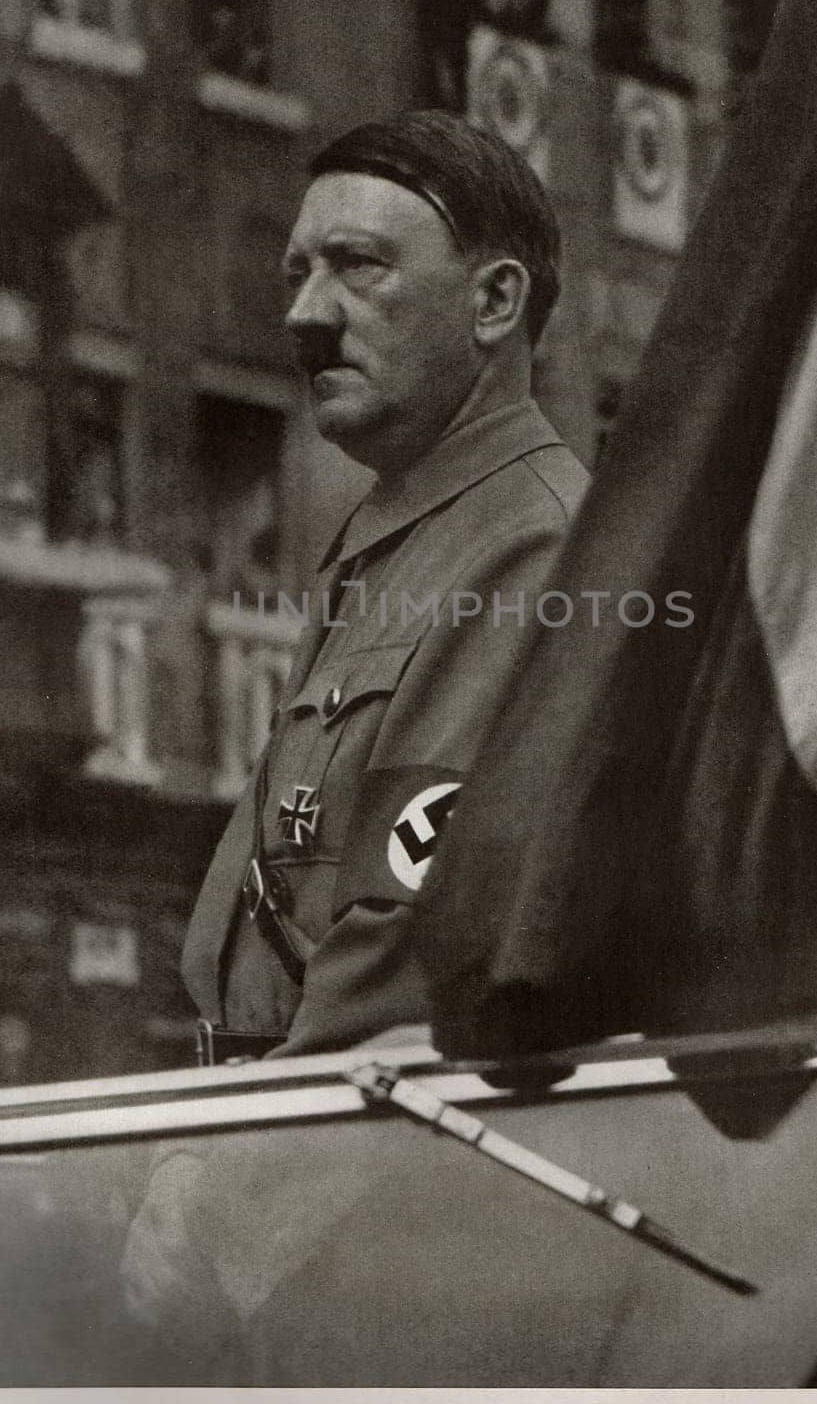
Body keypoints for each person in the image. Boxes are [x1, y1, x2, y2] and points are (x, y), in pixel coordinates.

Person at [183, 108, 588, 1060]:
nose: (305, 315)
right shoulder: (400, 530)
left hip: (355, 1137)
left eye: (357, 265)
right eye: (299, 272)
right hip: (287, 1113)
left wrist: (223, 1169)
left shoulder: (530, 545)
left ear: (493, 303)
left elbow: (399, 965)